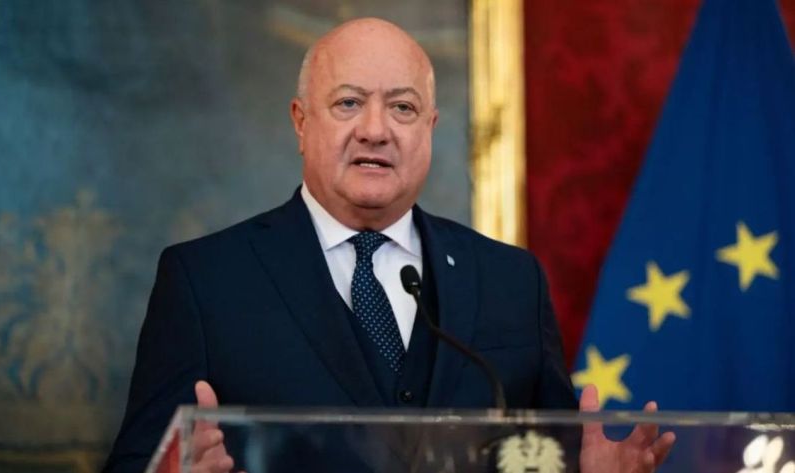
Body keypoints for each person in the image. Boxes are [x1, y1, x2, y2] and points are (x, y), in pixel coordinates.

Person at [103, 18, 674, 473]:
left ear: (430, 127)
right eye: (348, 103)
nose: (375, 130)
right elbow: (139, 461)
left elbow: (544, 457)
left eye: (402, 107)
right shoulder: (206, 282)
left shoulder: (510, 280)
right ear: (301, 122)